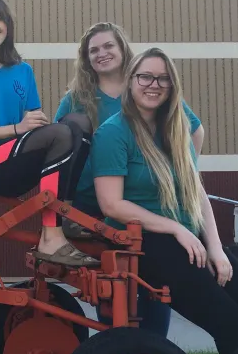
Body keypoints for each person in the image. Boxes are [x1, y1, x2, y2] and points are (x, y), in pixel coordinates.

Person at [92, 48, 238, 354]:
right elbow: (111, 204)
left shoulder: (176, 129)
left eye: (163, 78)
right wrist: (176, 229)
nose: (154, 85)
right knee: (229, 321)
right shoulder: (113, 133)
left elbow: (196, 192)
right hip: (144, 243)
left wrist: (216, 248)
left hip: (189, 240)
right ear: (131, 82)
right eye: (145, 76)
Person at [55, 22, 204, 334]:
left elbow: (193, 130)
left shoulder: (145, 87)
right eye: (93, 50)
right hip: (92, 209)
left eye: (108, 45)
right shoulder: (76, 98)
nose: (102, 53)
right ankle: (119, 348)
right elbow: (59, 149)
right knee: (112, 285)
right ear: (86, 59)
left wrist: (176, 174)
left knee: (153, 283)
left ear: (122, 49)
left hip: (140, 207)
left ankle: (153, 349)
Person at [0, 0, 98, 268]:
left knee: (79, 124)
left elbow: (34, 123)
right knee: (61, 134)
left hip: (15, 163)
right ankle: (51, 237)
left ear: (8, 24)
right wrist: (17, 128)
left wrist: (30, 129)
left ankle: (65, 214)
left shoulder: (22, 70)